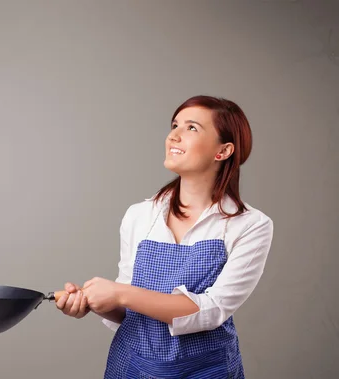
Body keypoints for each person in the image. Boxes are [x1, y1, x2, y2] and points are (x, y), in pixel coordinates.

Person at [56, 95, 274, 378]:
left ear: (223, 151)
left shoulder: (250, 226)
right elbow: (129, 311)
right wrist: (95, 304)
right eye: (174, 125)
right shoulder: (140, 215)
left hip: (206, 369)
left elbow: (212, 310)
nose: (173, 135)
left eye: (191, 128)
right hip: (133, 365)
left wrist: (120, 293)